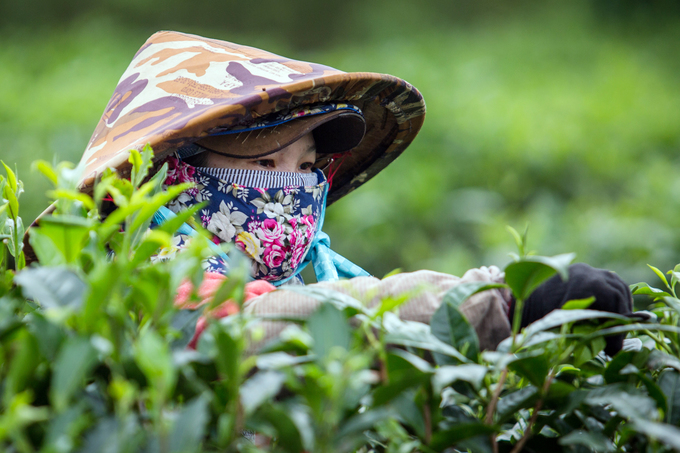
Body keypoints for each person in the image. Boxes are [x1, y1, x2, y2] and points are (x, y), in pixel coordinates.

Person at [36, 31, 646, 354]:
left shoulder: (313, 272)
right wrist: (495, 302)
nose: (293, 189)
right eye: (266, 160)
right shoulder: (137, 268)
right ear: (168, 175)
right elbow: (251, 327)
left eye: (306, 166)